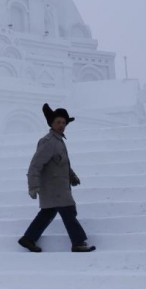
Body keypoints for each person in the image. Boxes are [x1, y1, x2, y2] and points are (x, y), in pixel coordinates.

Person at [18, 103, 96, 253]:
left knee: (48, 213)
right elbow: (35, 165)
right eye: (58, 122)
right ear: (51, 123)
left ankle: (28, 238)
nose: (61, 125)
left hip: (58, 187)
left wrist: (72, 176)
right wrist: (33, 186)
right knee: (69, 211)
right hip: (54, 188)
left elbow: (61, 164)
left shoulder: (58, 141)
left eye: (63, 122)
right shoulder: (48, 142)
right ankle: (78, 242)